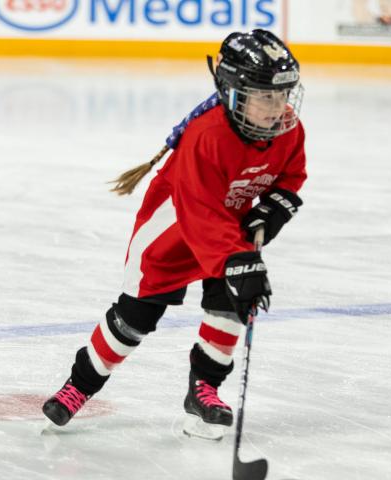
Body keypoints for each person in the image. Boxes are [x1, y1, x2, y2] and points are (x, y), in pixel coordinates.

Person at [41, 29, 307, 436]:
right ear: (234, 91)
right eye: (265, 96)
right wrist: (239, 261)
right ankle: (79, 386)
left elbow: (291, 174)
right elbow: (199, 214)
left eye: (282, 95)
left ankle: (204, 390)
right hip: (172, 234)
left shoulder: (287, 128)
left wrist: (272, 211)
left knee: (229, 308)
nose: (277, 108)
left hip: (224, 232)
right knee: (133, 321)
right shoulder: (208, 136)